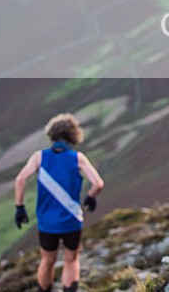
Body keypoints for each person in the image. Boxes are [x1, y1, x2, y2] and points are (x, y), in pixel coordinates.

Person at [14, 113, 104, 292]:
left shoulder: (39, 157)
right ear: (74, 135)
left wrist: (20, 207)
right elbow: (98, 183)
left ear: (52, 134)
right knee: (72, 259)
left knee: (47, 259)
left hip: (47, 222)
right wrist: (91, 197)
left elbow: (20, 179)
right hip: (71, 220)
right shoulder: (77, 158)